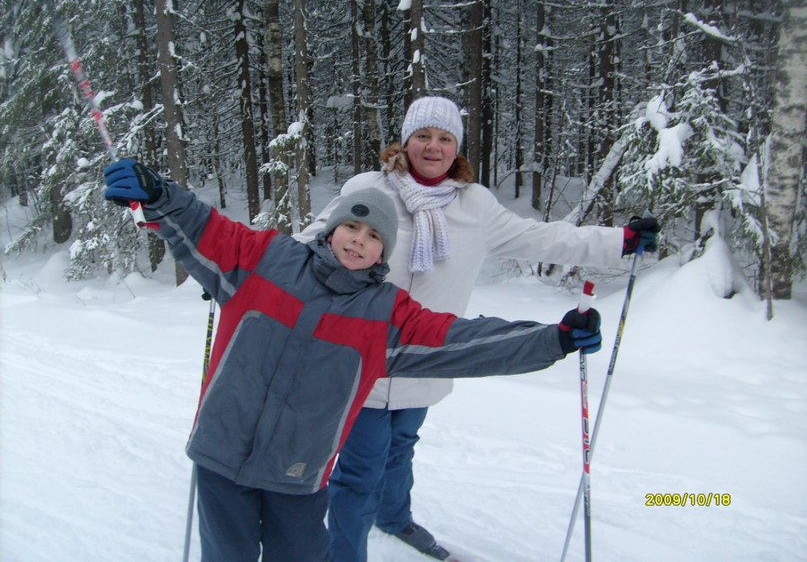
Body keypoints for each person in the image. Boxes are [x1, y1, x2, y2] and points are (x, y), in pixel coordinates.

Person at [102, 157, 605, 562]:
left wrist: (551, 339)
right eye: (353, 228)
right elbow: (205, 226)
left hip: (298, 474)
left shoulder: (385, 314)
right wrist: (157, 193)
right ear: (333, 226)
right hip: (220, 451)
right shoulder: (266, 259)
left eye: (373, 239)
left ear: (384, 254)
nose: (358, 242)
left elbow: (461, 341)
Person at [297, 96, 660, 561]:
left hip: (429, 355)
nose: (433, 147)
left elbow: (541, 237)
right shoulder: (370, 188)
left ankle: (393, 517)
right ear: (405, 141)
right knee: (359, 469)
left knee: (401, 447)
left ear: (457, 148)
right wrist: (245, 270)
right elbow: (312, 240)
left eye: (444, 138)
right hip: (362, 354)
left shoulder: (476, 206)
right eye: (423, 136)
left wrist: (620, 241)